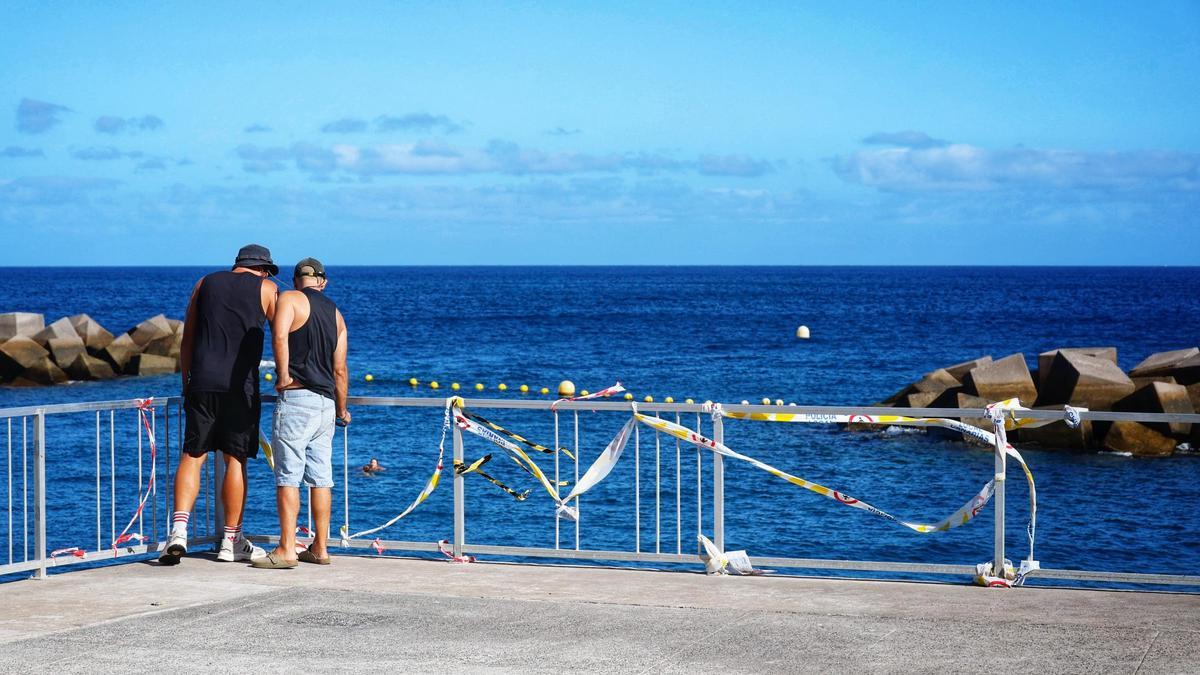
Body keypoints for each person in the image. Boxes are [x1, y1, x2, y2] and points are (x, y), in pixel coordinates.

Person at [160, 244, 278, 565]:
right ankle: (231, 540)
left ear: (237, 265)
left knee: (193, 454)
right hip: (241, 387)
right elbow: (283, 334)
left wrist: (187, 381)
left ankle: (178, 532)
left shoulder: (205, 283)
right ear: (263, 269)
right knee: (235, 460)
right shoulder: (268, 289)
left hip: (201, 381)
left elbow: (187, 338)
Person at [253, 257, 349, 569]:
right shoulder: (336, 313)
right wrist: (342, 409)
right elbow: (340, 370)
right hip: (326, 405)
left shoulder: (290, 299)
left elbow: (279, 337)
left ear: (296, 280)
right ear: (323, 281)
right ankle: (320, 548)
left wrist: (282, 376)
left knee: (288, 477)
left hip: (297, 401)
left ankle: (286, 550)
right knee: (322, 479)